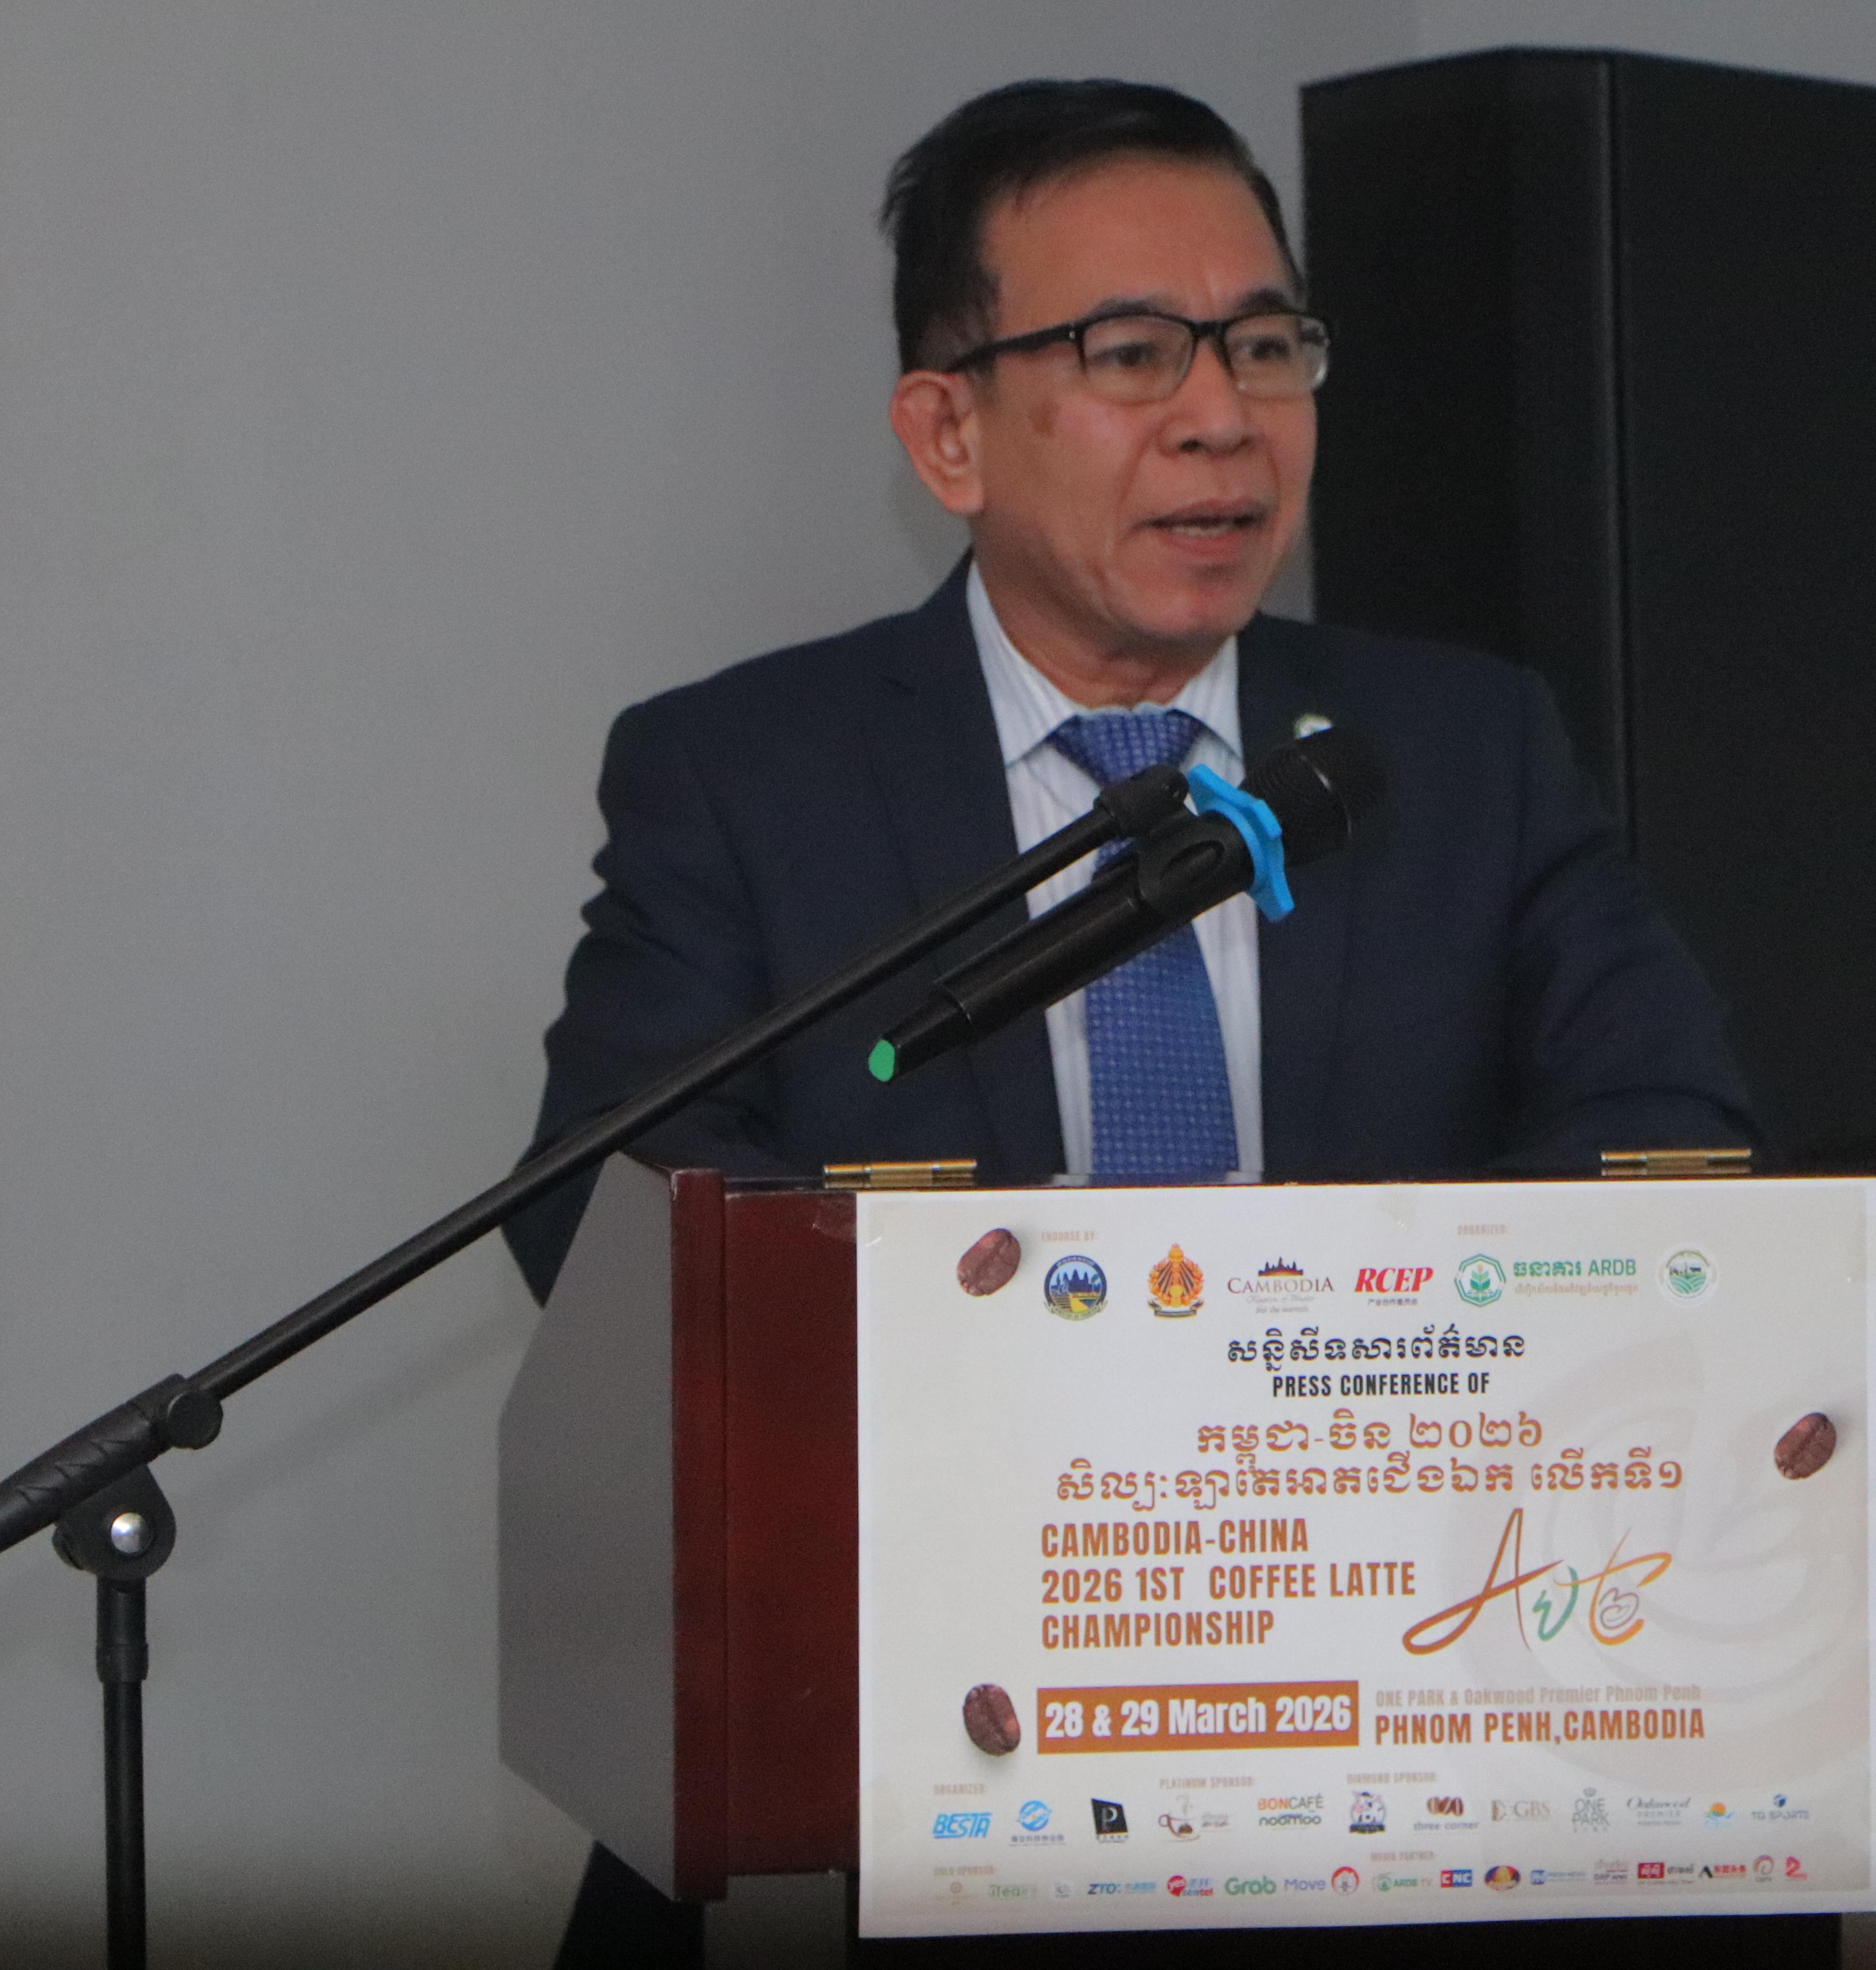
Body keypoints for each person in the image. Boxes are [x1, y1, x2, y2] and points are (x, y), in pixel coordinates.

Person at [526, 79, 1801, 1970]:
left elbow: (1668, 1128)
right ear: (948, 432)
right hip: (923, 1716)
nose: (1224, 415)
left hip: (1400, 1718)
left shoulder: (1457, 749)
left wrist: (1360, 1375)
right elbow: (609, 1201)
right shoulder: (746, 773)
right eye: (1132, 353)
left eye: (1266, 345)